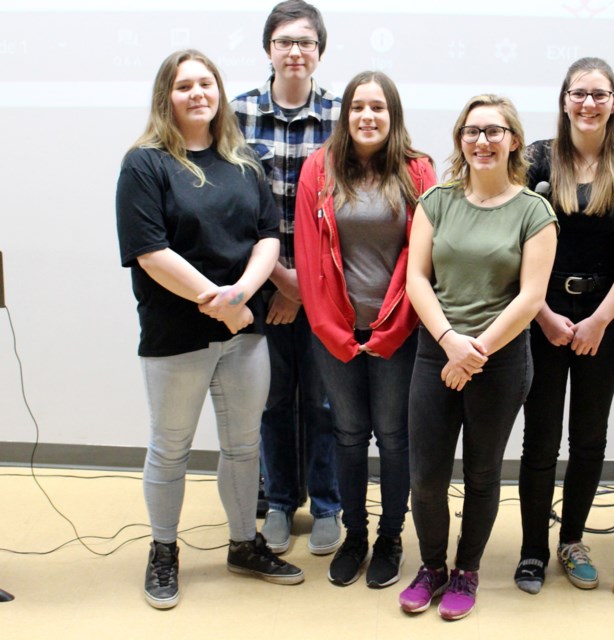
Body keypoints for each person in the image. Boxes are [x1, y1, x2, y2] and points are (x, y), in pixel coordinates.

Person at [116, 49, 304, 610]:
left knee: (245, 446)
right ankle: (164, 552)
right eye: (184, 86)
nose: (198, 93)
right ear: (165, 97)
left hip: (245, 333)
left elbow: (268, 235)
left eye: (206, 83)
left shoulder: (242, 161)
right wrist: (220, 304)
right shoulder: (144, 163)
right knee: (170, 449)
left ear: (219, 92)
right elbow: (150, 252)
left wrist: (242, 295)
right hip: (177, 334)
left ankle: (243, 545)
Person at [399, 95, 558, 620]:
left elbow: (530, 298)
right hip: (435, 352)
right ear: (460, 140)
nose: (482, 141)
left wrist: (475, 352)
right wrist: (449, 343)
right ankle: (432, 568)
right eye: (471, 131)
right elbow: (416, 278)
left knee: (483, 473)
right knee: (425, 475)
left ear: (514, 139)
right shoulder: (436, 200)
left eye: (494, 131)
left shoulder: (535, 211)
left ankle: (467, 570)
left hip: (501, 359)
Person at [515, 57, 614, 594]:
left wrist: (601, 320)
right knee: (540, 438)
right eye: (578, 94)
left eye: (599, 95)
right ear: (563, 100)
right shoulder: (534, 160)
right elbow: (512, 240)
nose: (588, 104)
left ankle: (571, 540)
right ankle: (533, 548)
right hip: (541, 314)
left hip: (604, 316)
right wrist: (545, 316)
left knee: (589, 438)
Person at [294, 71, 437, 588]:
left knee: (394, 437)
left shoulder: (418, 172)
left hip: (398, 328)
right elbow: (310, 256)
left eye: (378, 107)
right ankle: (355, 537)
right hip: (336, 331)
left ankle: (390, 537)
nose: (367, 116)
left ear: (392, 115)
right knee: (350, 435)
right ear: (345, 114)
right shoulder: (320, 168)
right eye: (358, 107)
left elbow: (420, 256)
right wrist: (333, 329)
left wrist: (392, 326)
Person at [231, 0, 342, 557]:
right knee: (271, 402)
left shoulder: (347, 115)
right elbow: (232, 210)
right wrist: (281, 282)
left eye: (306, 42)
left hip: (327, 291)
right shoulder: (237, 114)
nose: (295, 51)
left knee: (324, 404)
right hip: (263, 283)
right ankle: (278, 501)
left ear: (319, 52)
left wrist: (307, 290)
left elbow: (353, 210)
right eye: (284, 42)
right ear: (269, 49)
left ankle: (326, 504)